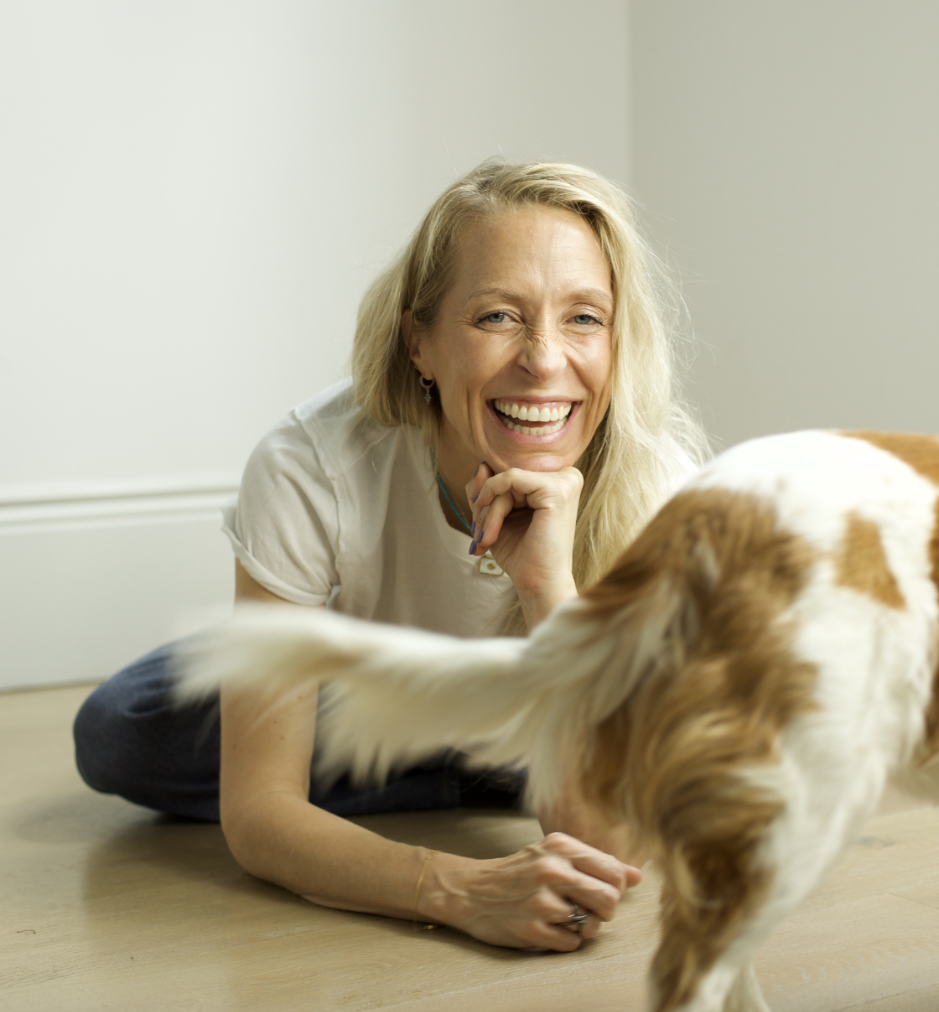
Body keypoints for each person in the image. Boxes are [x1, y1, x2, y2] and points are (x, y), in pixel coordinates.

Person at [74, 159, 706, 951]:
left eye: (584, 318)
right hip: (361, 673)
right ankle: (468, 764)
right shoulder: (310, 465)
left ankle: (456, 759)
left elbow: (608, 845)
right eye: (497, 317)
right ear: (419, 344)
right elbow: (259, 811)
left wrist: (548, 589)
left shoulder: (661, 491)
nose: (544, 360)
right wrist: (456, 887)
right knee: (122, 729)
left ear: (617, 342)